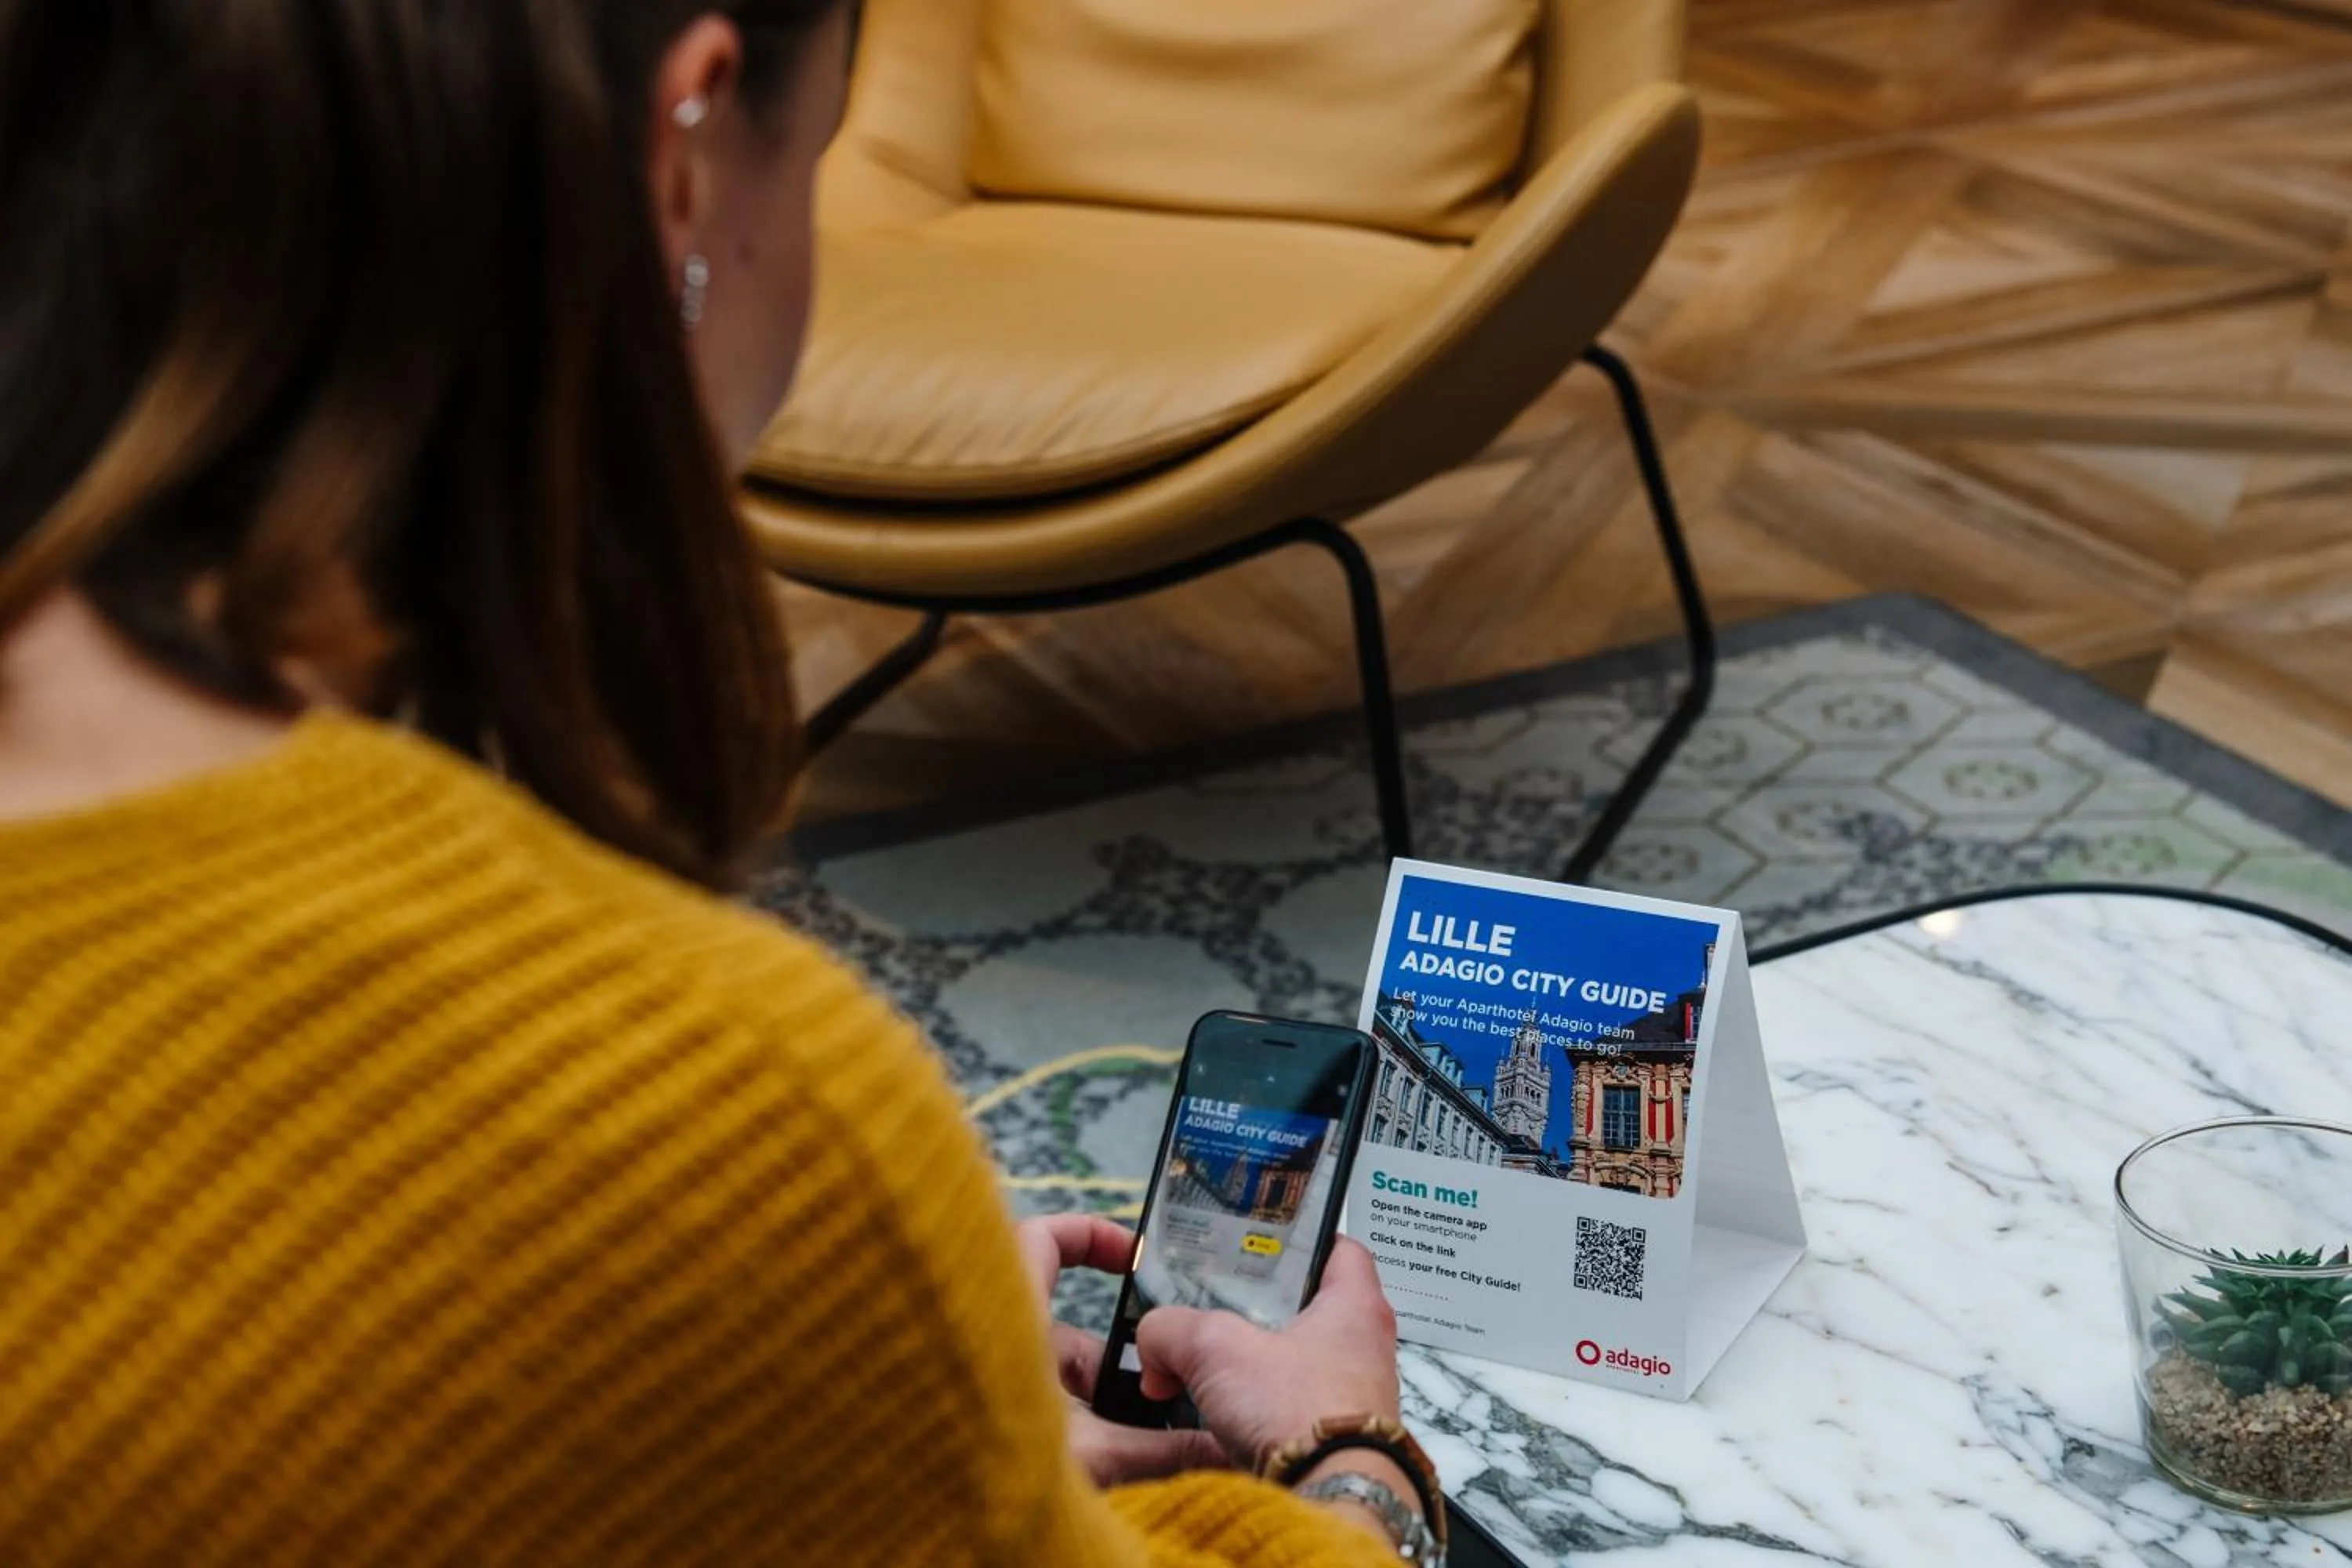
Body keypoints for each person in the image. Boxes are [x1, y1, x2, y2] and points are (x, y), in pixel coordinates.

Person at [0, 2, 1445, 1564]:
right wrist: (1347, 1460)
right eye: (818, 157)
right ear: (684, 152)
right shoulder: (723, 1122)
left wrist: (888, 1413)